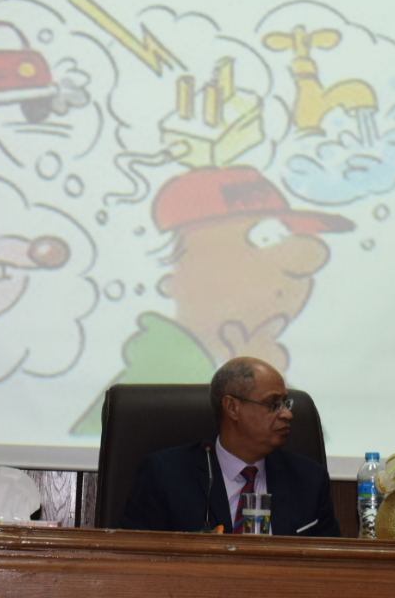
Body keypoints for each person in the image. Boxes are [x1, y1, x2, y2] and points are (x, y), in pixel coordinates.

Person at [71, 166, 352, 435]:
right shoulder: (156, 379)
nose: (293, 282)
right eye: (259, 244)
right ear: (177, 274)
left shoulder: (260, 374)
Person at [121, 356, 340, 537]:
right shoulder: (165, 475)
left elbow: (331, 565)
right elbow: (137, 557)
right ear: (232, 408)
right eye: (273, 404)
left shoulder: (309, 480)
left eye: (285, 403)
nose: (287, 414)